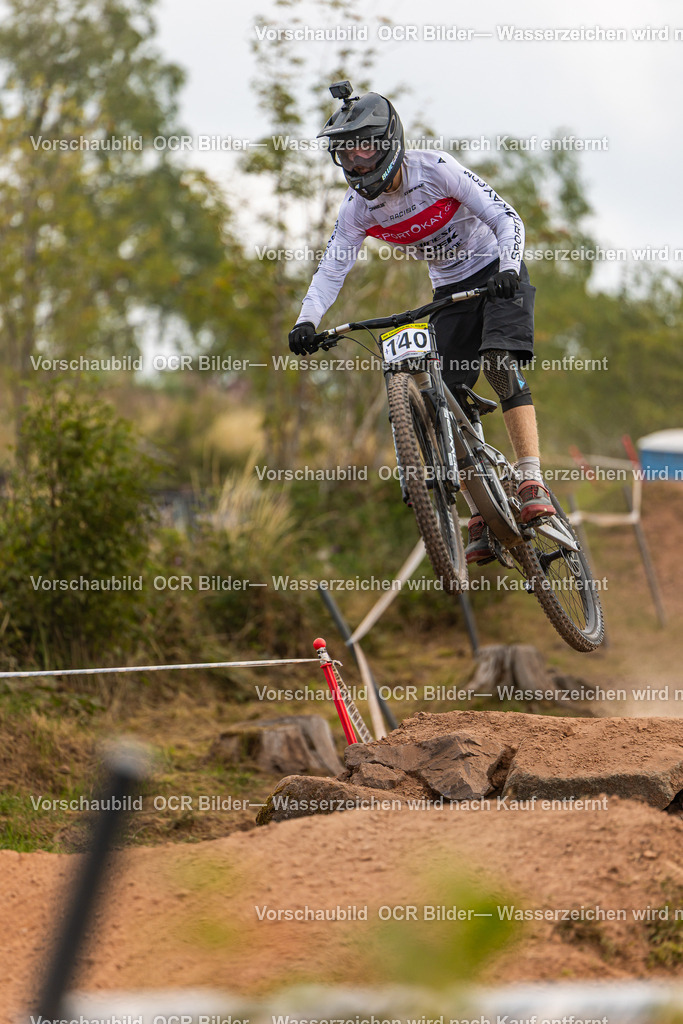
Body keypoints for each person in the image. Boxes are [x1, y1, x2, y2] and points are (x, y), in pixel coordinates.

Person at [288, 83, 555, 564]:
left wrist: (510, 270)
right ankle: (482, 513)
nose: (357, 164)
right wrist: (307, 321)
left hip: (497, 272)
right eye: (345, 156)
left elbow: (507, 218)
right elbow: (332, 268)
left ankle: (532, 476)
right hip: (450, 290)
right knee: (446, 403)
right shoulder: (357, 210)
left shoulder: (435, 170)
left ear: (389, 142)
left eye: (364, 149)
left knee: (496, 361)